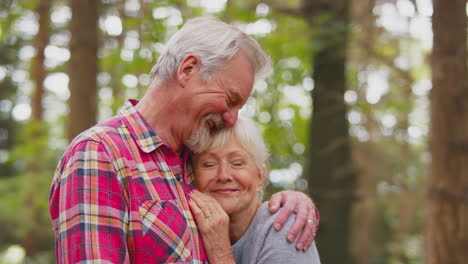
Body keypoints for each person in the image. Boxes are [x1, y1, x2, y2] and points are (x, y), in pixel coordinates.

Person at [49, 17, 318, 263]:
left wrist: (293, 203)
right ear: (188, 69)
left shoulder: (195, 156)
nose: (232, 119)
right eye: (231, 99)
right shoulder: (101, 153)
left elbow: (248, 211)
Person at [190, 116, 320, 263]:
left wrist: (220, 253)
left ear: (260, 176)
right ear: (192, 176)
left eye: (237, 163)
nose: (223, 175)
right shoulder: (184, 225)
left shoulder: (282, 225)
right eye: (209, 164)